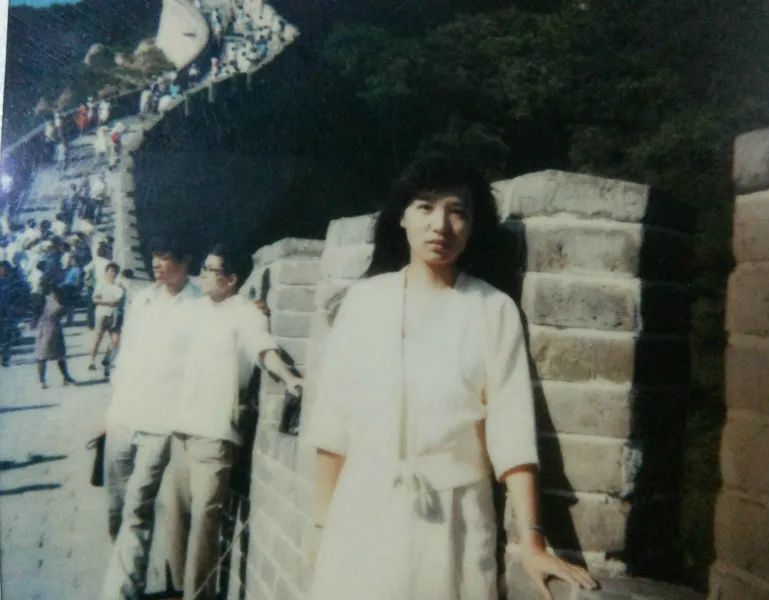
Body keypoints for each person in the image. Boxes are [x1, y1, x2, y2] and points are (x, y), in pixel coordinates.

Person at [305, 157, 597, 600]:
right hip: (362, 517)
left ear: (473, 225)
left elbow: (512, 433)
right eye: (424, 207)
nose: (440, 225)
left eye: (457, 211)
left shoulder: (492, 309)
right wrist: (321, 527)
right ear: (402, 217)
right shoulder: (363, 303)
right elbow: (332, 425)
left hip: (452, 526)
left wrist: (533, 544)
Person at [161, 245, 302, 600]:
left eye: (211, 270)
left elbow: (263, 348)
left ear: (232, 279)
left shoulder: (246, 314)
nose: (203, 275)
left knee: (204, 523)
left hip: (216, 435)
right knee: (175, 519)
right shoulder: (194, 310)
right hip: (181, 430)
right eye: (204, 268)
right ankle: (176, 590)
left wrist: (290, 378)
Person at [101, 236, 201, 599]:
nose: (157, 264)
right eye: (155, 257)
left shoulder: (201, 305)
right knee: (116, 509)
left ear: (185, 260)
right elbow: (125, 357)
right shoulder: (142, 300)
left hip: (160, 422)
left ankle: (122, 592)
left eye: (166, 257)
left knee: (137, 505)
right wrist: (109, 413)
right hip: (123, 417)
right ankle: (129, 575)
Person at [34, 282, 76, 388]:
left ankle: (61, 378)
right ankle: (45, 380)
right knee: (48, 354)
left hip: (50, 327)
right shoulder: (58, 301)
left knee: (52, 354)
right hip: (49, 327)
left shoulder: (57, 300)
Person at [88, 262, 124, 375]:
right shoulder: (101, 284)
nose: (113, 274)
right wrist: (108, 302)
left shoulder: (118, 286)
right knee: (97, 338)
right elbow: (95, 299)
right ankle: (91, 361)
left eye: (115, 272)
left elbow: (119, 301)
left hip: (114, 315)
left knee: (115, 340)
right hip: (101, 314)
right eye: (111, 271)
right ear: (106, 272)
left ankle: (106, 359)